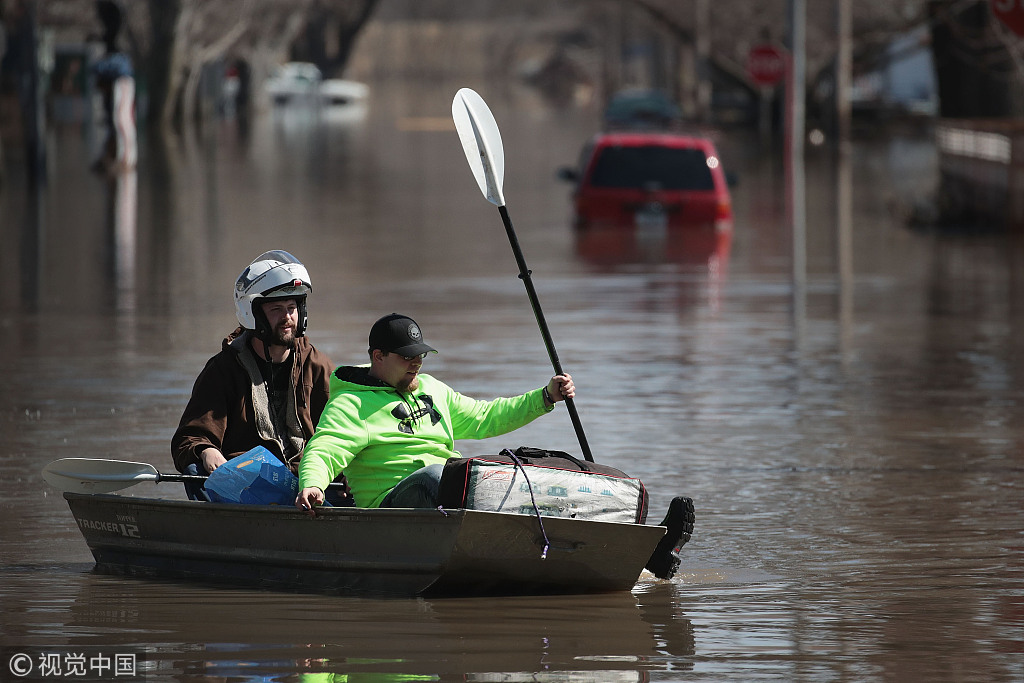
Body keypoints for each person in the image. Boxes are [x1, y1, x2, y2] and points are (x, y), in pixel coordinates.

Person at [295, 313, 575, 512]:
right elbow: (325, 449)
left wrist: (545, 396)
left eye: (420, 355)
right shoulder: (350, 404)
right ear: (378, 356)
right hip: (390, 507)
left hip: (443, 489)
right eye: (407, 356)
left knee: (494, 473)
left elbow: (486, 417)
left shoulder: (433, 389)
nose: (417, 363)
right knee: (436, 476)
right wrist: (312, 484)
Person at [172, 250, 350, 505]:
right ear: (252, 313)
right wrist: (206, 450)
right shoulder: (223, 369)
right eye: (276, 309)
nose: (287, 317)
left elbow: (344, 432)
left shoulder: (318, 365)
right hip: (247, 486)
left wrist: (352, 469)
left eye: (292, 308)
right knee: (194, 469)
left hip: (308, 482)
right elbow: (188, 438)